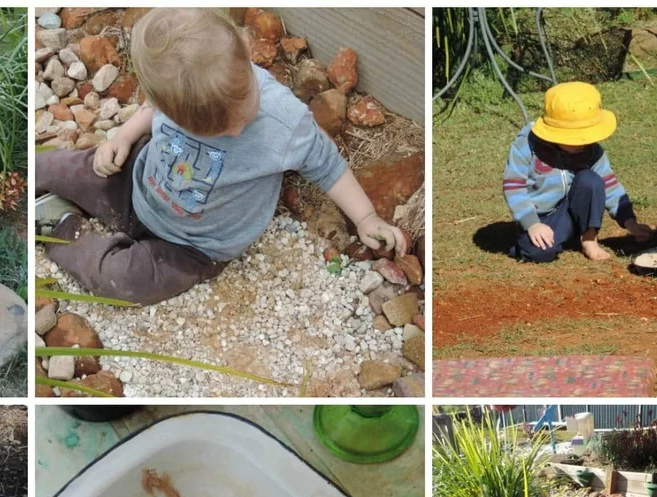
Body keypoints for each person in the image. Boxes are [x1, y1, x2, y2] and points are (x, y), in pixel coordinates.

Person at [35, 8, 407, 305]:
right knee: (58, 166)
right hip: (137, 184)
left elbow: (327, 165)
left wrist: (365, 217)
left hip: (193, 247)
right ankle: (26, 175)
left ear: (246, 48)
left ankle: (63, 229)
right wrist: (123, 136)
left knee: (124, 281)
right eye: (215, 130)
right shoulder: (177, 90)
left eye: (242, 114)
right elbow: (150, 111)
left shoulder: (283, 120)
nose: (234, 131)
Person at [503, 82, 652, 263]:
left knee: (590, 179)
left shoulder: (590, 149)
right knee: (539, 253)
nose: (582, 142)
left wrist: (630, 222)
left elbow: (609, 184)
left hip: (575, 209)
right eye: (575, 136)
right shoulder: (526, 145)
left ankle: (588, 237)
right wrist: (532, 224)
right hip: (542, 216)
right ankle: (556, 236)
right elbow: (514, 187)